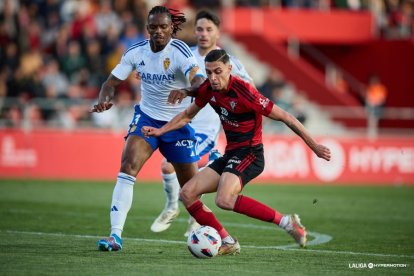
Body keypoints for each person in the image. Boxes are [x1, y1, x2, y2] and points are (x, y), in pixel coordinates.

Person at [142, 49, 331, 250]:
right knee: (187, 193)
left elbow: (287, 117)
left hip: (251, 153)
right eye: (209, 72)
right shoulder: (208, 89)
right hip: (231, 154)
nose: (213, 78)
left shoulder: (245, 92)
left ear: (229, 69)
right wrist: (160, 130)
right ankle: (228, 241)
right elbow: (187, 115)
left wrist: (315, 146)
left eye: (218, 71)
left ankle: (287, 222)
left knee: (224, 199)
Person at [91, 6, 238, 253]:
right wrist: (105, 98)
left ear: (172, 28)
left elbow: (200, 83)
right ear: (147, 29)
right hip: (147, 119)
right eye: (153, 27)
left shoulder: (180, 52)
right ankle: (115, 236)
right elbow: (111, 82)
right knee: (128, 167)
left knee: (190, 193)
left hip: (177, 125)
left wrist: (186, 91)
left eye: (163, 27)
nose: (158, 31)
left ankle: (226, 238)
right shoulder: (136, 52)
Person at [150, 10, 254, 237]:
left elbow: (250, 90)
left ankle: (178, 209)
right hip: (183, 124)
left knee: (170, 166)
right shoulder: (185, 55)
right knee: (171, 169)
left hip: (206, 130)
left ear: (218, 32)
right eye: (199, 29)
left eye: (209, 29)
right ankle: (180, 208)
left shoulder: (228, 62)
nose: (203, 34)